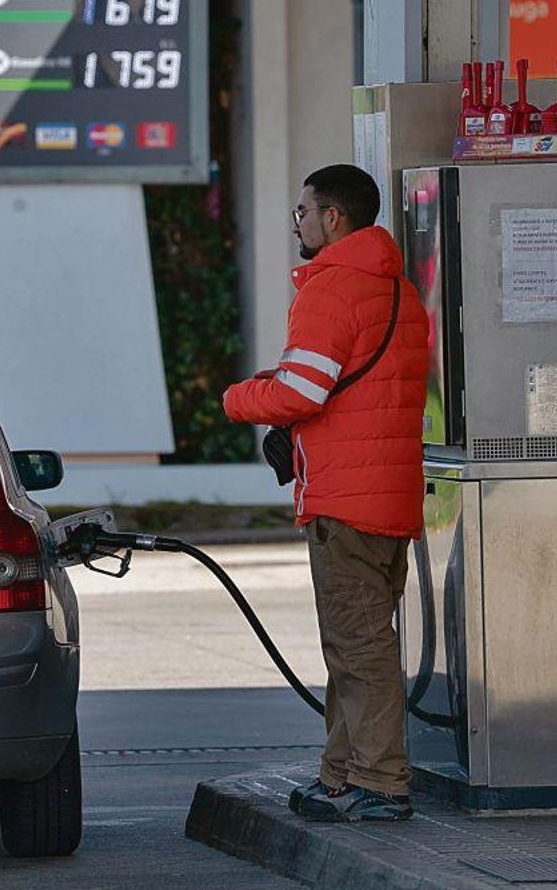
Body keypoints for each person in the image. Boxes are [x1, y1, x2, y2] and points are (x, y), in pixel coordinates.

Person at [222, 164, 428, 822]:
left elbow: (300, 391)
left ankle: (381, 782)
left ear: (333, 218)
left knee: (360, 647)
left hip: (346, 498)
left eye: (303, 213)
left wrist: (237, 399)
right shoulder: (399, 289)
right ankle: (340, 774)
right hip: (390, 493)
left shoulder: (332, 290)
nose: (299, 224)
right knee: (354, 642)